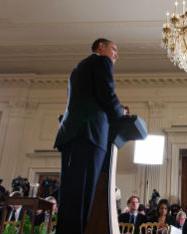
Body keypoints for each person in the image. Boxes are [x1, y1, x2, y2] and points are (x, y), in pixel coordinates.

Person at [53, 38, 127, 233]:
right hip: (90, 134)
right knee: (82, 196)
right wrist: (121, 113)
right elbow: (106, 93)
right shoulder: (101, 61)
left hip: (71, 134)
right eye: (114, 49)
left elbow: (84, 99)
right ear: (100, 47)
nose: (116, 55)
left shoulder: (78, 68)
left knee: (69, 197)